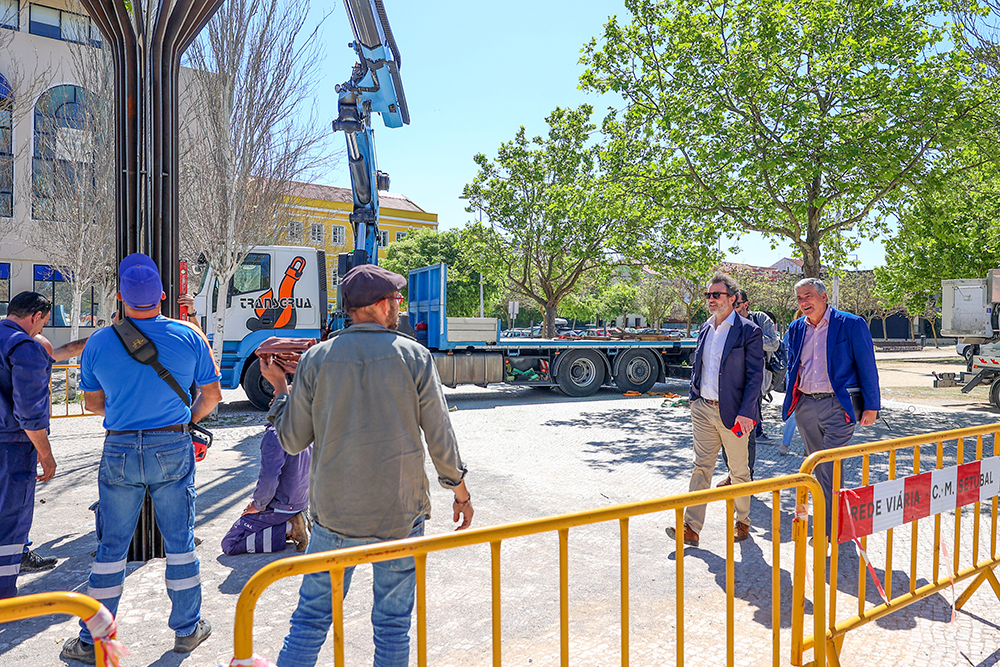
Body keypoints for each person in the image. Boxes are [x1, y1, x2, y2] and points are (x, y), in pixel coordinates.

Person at [262, 263, 473, 667]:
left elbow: (291, 440)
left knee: (310, 618)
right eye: (396, 300)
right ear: (379, 305)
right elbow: (439, 436)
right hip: (400, 515)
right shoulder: (414, 357)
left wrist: (280, 391)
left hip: (334, 517)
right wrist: (459, 491)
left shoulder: (316, 359)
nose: (399, 308)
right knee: (393, 624)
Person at [61, 253, 222, 664]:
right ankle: (187, 629)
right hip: (172, 444)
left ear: (120, 296)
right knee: (180, 541)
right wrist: (184, 419)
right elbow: (212, 397)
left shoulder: (99, 341)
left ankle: (92, 639)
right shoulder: (189, 336)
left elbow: (94, 404)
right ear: (163, 295)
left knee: (111, 546)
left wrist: (125, 411)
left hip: (119, 448)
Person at [666, 273, 764, 548]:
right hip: (703, 410)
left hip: (734, 413)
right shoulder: (705, 328)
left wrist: (747, 413)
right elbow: (700, 366)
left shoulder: (748, 330)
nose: (710, 299)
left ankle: (742, 521)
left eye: (716, 295)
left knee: (739, 470)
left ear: (732, 299)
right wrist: (693, 397)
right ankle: (691, 527)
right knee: (701, 467)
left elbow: (755, 376)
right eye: (708, 295)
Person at [781, 278, 880, 541]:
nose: (804, 302)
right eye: (800, 298)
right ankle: (831, 522)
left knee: (830, 468)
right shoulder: (795, 328)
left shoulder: (851, 324)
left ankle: (828, 529)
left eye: (809, 296)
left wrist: (872, 406)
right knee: (816, 464)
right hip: (806, 405)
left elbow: (867, 365)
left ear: (824, 297)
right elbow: (794, 366)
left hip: (838, 406)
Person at [16, 332, 90, 575]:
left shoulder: (20, 351)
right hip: (15, 441)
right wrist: (44, 452)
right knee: (13, 503)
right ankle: (17, 555)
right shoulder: (25, 363)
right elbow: (29, 413)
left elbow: (64, 351)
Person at [0, 292, 58, 598]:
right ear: (35, 316)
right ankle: (4, 597)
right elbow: (30, 414)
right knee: (9, 521)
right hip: (11, 447)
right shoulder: (24, 347)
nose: (40, 331)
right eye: (43, 323)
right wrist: (46, 456)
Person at [718, 290, 780, 485]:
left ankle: (746, 477)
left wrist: (748, 337)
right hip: (727, 385)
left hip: (752, 385)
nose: (733, 309)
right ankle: (732, 473)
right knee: (726, 431)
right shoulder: (724, 321)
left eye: (736, 305)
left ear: (746, 304)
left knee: (747, 433)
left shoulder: (759, 319)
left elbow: (774, 343)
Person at [221, 424, 311, 555]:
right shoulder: (308, 427)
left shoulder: (276, 433)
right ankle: (296, 520)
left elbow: (269, 477)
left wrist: (258, 505)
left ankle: (289, 527)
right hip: (300, 501)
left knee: (230, 543)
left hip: (281, 505)